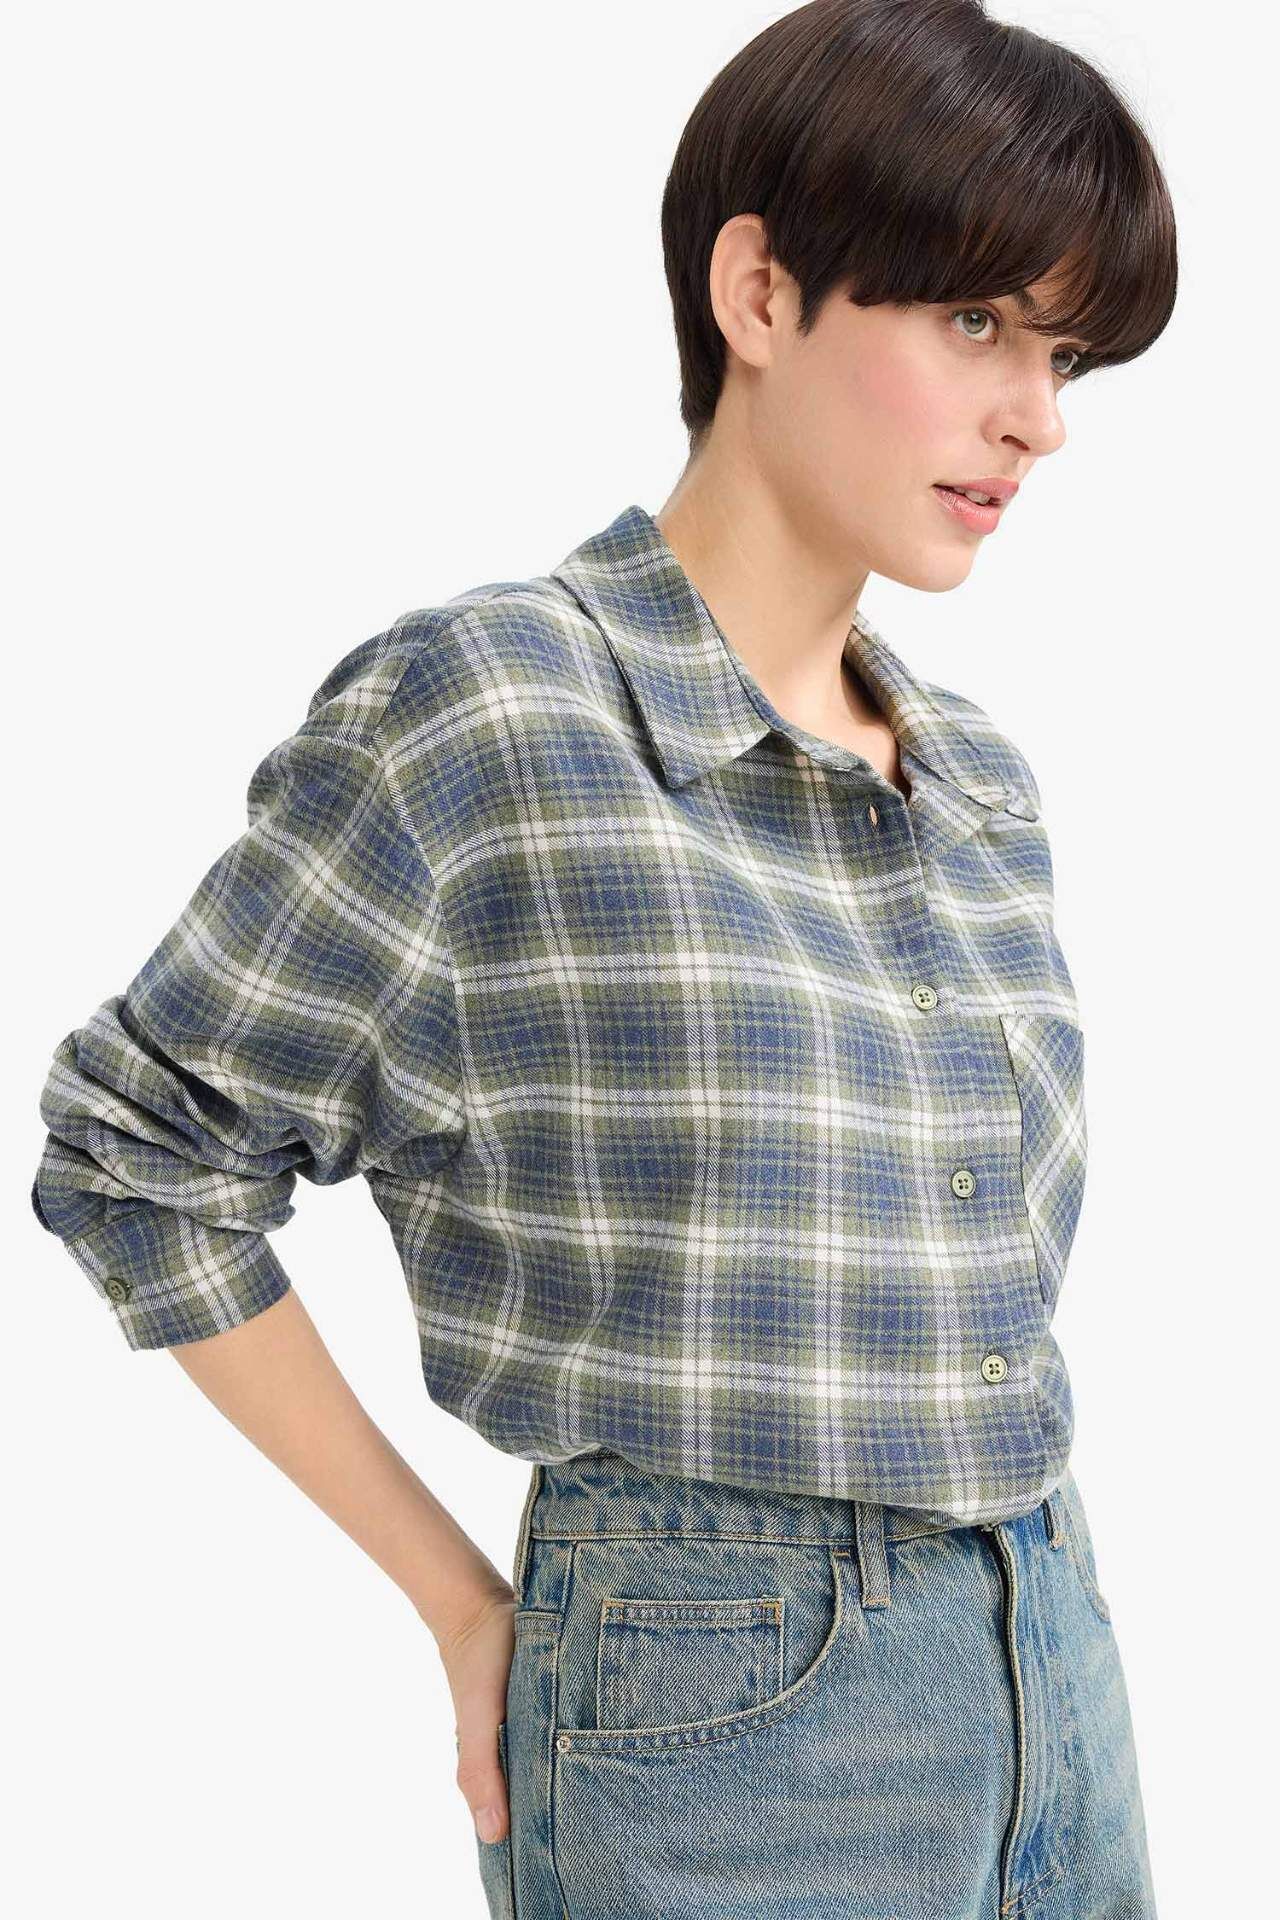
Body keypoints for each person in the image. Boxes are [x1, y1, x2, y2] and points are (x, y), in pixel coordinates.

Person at [31, 1, 1177, 1914]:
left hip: (1051, 1645)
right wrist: (460, 1598)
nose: (1036, 420)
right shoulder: (493, 714)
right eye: (977, 323)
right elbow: (136, 1152)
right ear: (759, 292)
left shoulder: (976, 780)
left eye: (1062, 356)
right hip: (720, 1714)